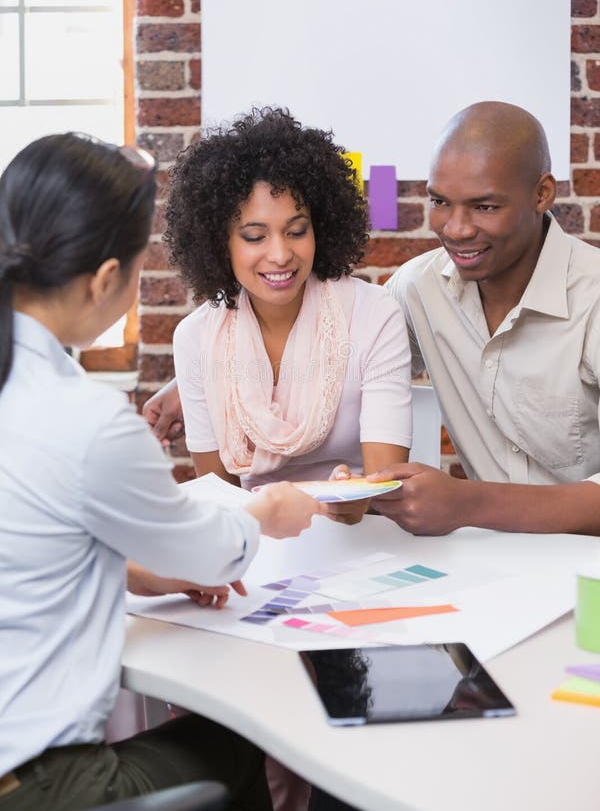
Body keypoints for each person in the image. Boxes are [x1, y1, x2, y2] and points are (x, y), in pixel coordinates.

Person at [0, 133, 323, 811]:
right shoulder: (87, 423)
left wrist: (137, 573)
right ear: (103, 279)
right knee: (246, 738)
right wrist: (268, 511)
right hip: (39, 783)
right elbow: (212, 548)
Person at [151, 106, 412, 810]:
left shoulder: (372, 314)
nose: (280, 255)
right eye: (254, 235)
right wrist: (256, 525)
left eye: (297, 230)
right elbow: (215, 491)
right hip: (257, 556)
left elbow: (382, 481)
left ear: (321, 225)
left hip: (363, 547)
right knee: (238, 724)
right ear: (219, 240)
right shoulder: (198, 337)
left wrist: (338, 497)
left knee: (349, 747)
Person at [369, 100, 600, 535]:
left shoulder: (594, 298)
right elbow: (348, 366)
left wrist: (469, 502)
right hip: (482, 567)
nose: (455, 229)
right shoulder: (418, 288)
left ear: (541, 194)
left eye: (485, 207)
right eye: (440, 201)